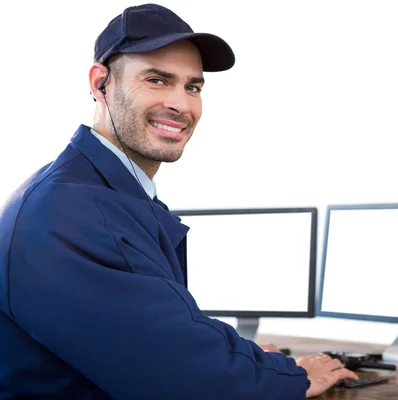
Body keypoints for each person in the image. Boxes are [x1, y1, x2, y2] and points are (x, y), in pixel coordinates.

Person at [0, 3, 358, 399]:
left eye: (193, 87)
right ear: (101, 82)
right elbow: (184, 376)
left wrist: (252, 360)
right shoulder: (73, 212)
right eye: (157, 80)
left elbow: (165, 330)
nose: (182, 105)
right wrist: (292, 376)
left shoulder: (100, 192)